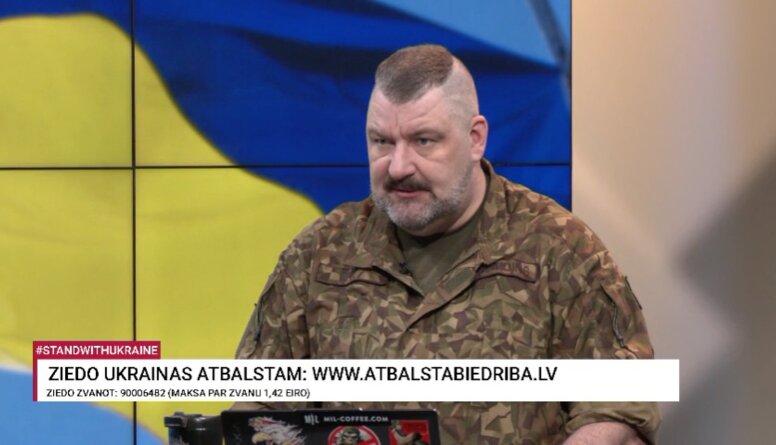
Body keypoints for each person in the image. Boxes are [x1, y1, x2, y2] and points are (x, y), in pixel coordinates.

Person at [235, 44, 660, 444]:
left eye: (423, 141)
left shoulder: (561, 249)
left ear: (475, 138)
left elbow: (618, 412)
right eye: (382, 141)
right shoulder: (318, 255)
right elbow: (258, 407)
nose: (398, 167)